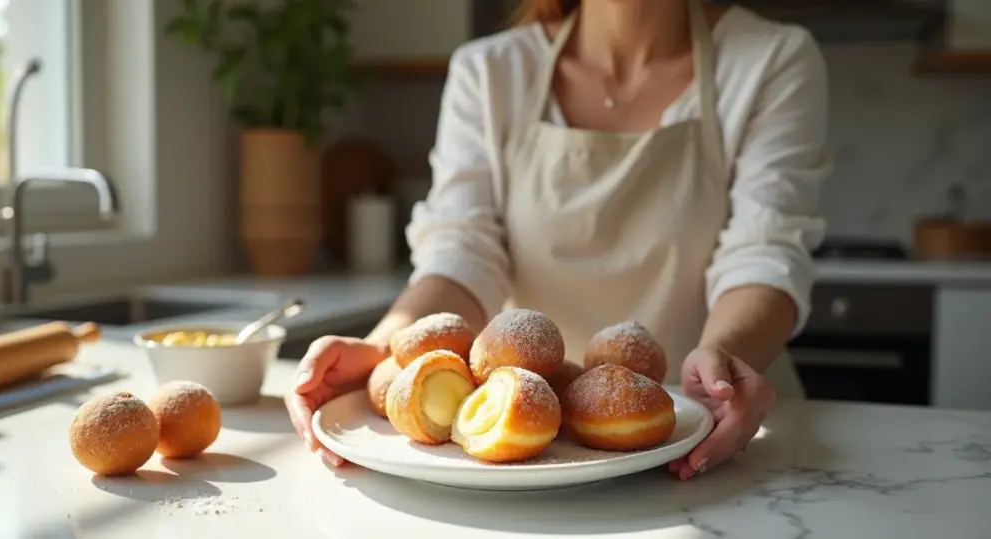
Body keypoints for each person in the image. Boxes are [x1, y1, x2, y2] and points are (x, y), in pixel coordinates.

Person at [286, 0, 829, 481]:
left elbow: (764, 250)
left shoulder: (770, 60)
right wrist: (388, 349)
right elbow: (463, 251)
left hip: (722, 439)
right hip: (539, 451)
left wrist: (727, 360)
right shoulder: (491, 72)